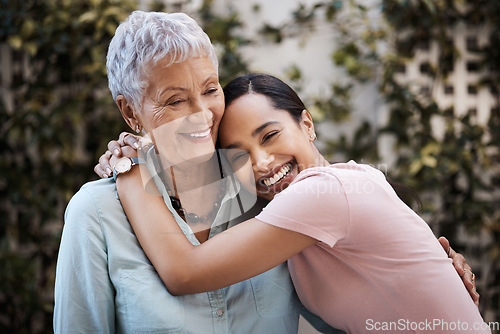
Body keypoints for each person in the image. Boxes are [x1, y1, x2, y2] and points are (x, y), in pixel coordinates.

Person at [107, 73, 490, 334]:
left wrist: (130, 168)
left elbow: (184, 273)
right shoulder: (293, 219)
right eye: (238, 155)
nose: (260, 162)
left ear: (306, 124)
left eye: (270, 135)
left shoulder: (323, 193)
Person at [54, 11, 306, 334]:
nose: (202, 114)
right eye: (176, 101)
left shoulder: (264, 188)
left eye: (211, 90)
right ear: (131, 112)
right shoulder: (96, 214)